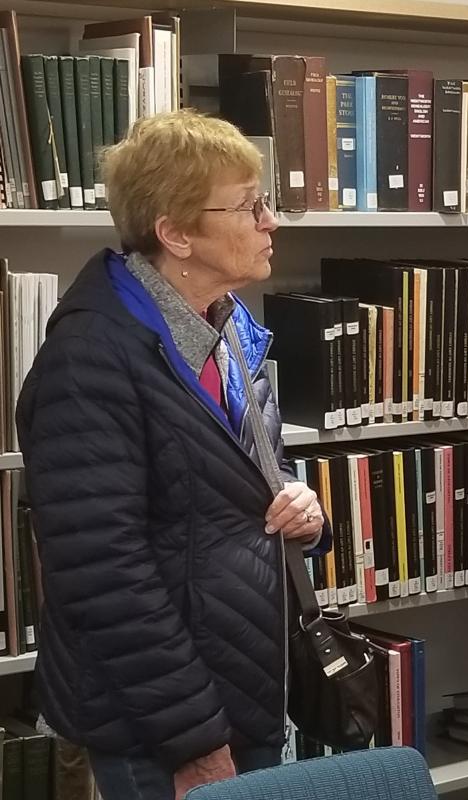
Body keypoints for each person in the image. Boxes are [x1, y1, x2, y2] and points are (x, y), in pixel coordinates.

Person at [17, 110, 331, 800]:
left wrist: (306, 510)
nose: (272, 221)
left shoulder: (230, 324)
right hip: (161, 723)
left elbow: (240, 482)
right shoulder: (91, 360)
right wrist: (193, 739)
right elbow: (103, 575)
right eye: (250, 206)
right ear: (177, 233)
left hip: (243, 684)